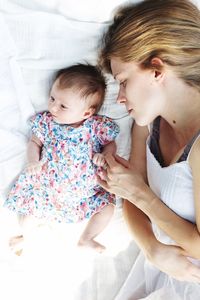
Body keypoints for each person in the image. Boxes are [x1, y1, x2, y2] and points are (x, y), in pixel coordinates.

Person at [97, 0, 200, 298]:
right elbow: (130, 198)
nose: (119, 98)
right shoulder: (147, 122)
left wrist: (140, 193)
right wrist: (151, 248)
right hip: (163, 268)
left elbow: (136, 193)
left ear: (157, 69)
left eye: (123, 82)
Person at [4, 63, 119, 254]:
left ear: (87, 113)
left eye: (63, 105)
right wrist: (33, 162)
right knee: (29, 215)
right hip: (48, 189)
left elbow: (110, 143)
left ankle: (87, 238)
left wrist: (106, 155)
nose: (53, 107)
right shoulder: (47, 123)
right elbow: (34, 143)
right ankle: (26, 237)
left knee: (107, 208)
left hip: (87, 192)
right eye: (52, 98)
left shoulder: (96, 127)